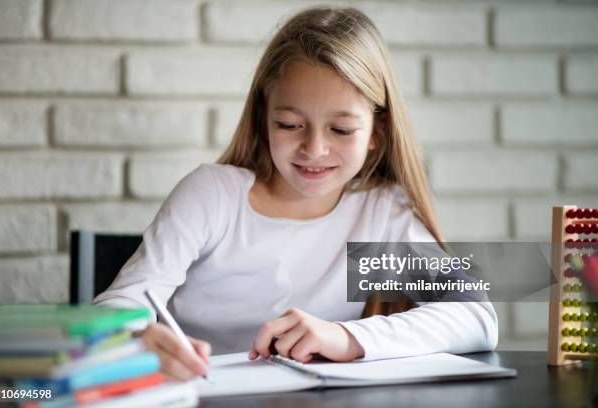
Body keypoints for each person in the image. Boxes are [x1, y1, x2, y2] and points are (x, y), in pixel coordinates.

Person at [93, 6, 498, 381]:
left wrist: (345, 338)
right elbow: (118, 306)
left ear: (376, 132)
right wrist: (135, 341)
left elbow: (477, 316)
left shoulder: (380, 214)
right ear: (264, 117)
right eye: (289, 124)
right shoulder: (214, 197)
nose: (314, 150)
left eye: (340, 130)